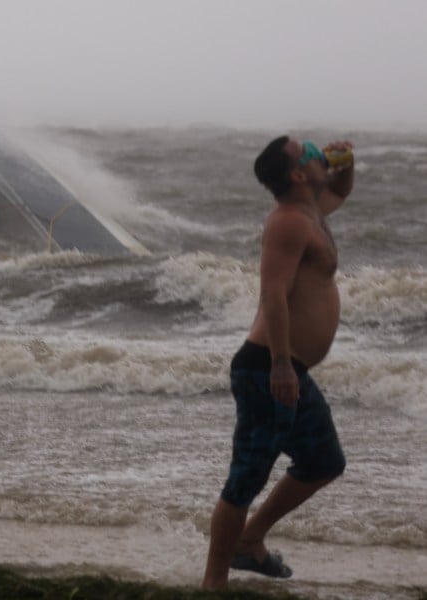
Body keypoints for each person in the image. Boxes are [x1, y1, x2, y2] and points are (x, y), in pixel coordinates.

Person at [202, 136, 354, 589]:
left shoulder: (313, 210)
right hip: (268, 367)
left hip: (289, 369)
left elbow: (341, 191)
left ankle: (250, 541)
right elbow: (273, 293)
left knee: (324, 461)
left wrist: (346, 164)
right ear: (297, 175)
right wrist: (282, 365)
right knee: (245, 478)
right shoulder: (288, 223)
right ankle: (214, 584)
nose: (315, 150)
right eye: (308, 150)